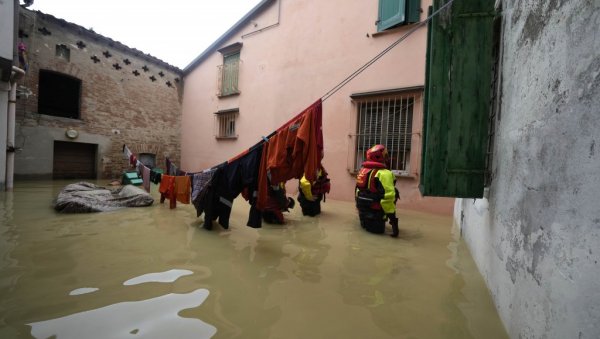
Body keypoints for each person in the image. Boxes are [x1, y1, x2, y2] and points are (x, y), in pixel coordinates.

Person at [355, 144, 399, 237]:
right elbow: (388, 198)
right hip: (376, 216)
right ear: (379, 156)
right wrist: (393, 221)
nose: (387, 157)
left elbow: (357, 192)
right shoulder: (385, 174)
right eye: (385, 155)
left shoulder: (362, 171)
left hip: (362, 214)